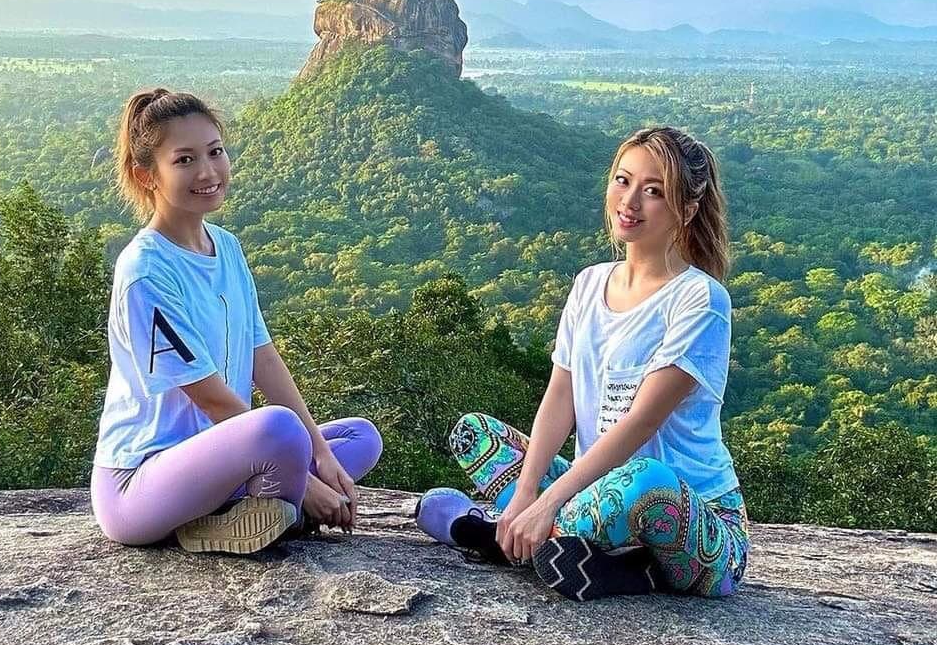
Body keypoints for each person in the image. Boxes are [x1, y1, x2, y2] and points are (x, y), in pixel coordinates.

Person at [415, 126, 749, 601]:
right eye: (623, 180)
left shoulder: (700, 299)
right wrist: (529, 490)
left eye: (653, 191)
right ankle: (565, 547)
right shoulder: (590, 284)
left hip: (697, 527)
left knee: (647, 481)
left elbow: (641, 420)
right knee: (475, 433)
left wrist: (548, 502)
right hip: (592, 495)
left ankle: (500, 538)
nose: (629, 201)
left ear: (687, 210)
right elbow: (560, 396)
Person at [90, 88, 382, 555]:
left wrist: (322, 459)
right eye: (183, 160)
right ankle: (271, 507)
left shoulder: (225, 248)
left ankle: (240, 513)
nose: (207, 172)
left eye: (215, 152)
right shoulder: (145, 272)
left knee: (358, 438)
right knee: (281, 431)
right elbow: (208, 397)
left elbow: (262, 357)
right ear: (147, 175)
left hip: (223, 458)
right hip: (140, 483)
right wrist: (307, 485)